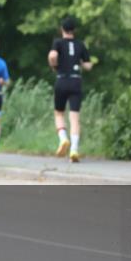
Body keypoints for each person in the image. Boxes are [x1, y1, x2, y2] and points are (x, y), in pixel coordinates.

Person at [48, 16, 93, 163]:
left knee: (59, 113)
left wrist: (54, 65)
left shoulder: (58, 42)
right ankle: (74, 150)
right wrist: (80, 63)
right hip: (76, 81)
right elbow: (88, 65)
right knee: (74, 117)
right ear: (74, 30)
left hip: (62, 80)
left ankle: (63, 139)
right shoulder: (80, 44)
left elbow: (53, 56)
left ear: (62, 29)